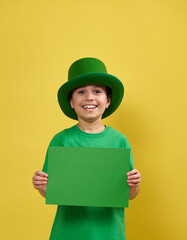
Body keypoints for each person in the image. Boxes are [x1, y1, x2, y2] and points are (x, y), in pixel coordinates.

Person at [32, 57, 141, 240]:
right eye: (81, 92)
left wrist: (135, 184)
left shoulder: (119, 141)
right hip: (68, 233)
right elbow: (52, 191)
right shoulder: (61, 140)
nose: (89, 97)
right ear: (72, 102)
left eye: (97, 91)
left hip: (109, 233)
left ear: (107, 101)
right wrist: (41, 185)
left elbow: (129, 195)